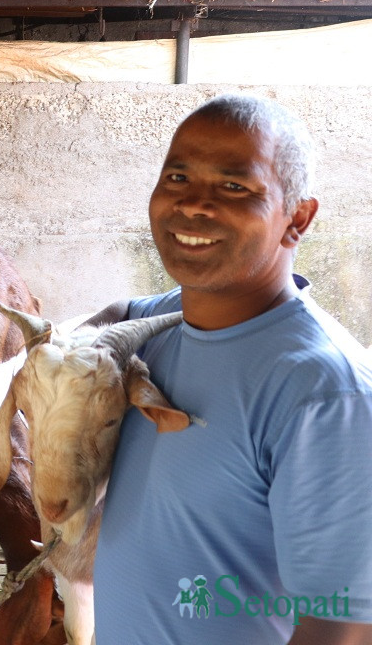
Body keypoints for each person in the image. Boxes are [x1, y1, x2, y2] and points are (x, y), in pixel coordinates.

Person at [92, 94, 372, 644]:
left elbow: (342, 627)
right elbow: (120, 314)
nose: (194, 205)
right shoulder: (157, 329)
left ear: (297, 218)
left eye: (234, 186)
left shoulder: (325, 395)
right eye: (177, 177)